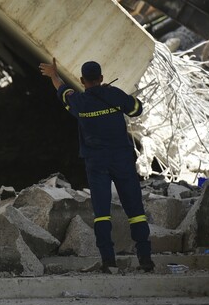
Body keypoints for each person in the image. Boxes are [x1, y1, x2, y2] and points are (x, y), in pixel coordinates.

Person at [39, 58, 154, 273]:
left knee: (102, 213)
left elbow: (62, 90)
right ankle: (146, 259)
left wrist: (54, 75)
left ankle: (108, 261)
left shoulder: (79, 103)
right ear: (101, 78)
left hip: (96, 163)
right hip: (122, 161)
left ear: (82, 81)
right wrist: (114, 94)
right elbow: (137, 109)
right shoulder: (115, 95)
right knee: (136, 211)